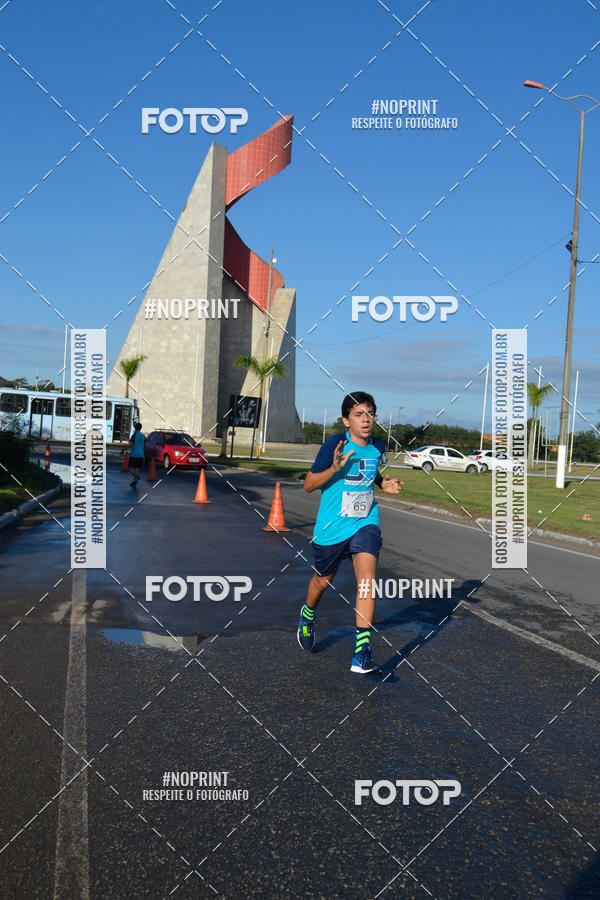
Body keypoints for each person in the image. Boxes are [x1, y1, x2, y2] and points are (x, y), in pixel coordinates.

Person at [297, 392, 402, 674]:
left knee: (367, 579)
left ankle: (361, 654)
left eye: (370, 414)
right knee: (322, 581)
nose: (366, 419)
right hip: (332, 526)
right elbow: (308, 485)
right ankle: (308, 614)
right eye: (359, 414)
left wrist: (383, 484)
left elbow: (372, 470)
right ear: (346, 420)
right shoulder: (335, 444)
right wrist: (334, 467)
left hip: (365, 520)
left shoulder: (378, 446)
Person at [128, 422, 146, 486]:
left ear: (135, 428)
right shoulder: (143, 436)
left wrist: (125, 448)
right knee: (137, 468)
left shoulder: (134, 435)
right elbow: (145, 445)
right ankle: (135, 482)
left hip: (134, 454)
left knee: (130, 467)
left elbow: (130, 445)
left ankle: (136, 477)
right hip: (141, 454)